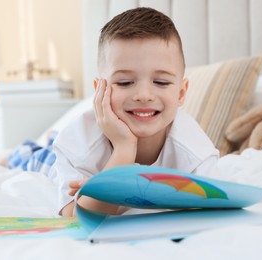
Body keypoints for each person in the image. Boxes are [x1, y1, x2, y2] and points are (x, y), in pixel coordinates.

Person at [49, 7, 220, 217]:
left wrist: (102, 191)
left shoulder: (195, 152)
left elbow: (210, 206)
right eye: (125, 82)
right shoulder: (78, 141)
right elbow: (75, 216)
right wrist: (123, 148)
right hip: (48, 159)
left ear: (181, 93)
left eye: (161, 82)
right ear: (99, 90)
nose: (144, 95)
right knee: (32, 157)